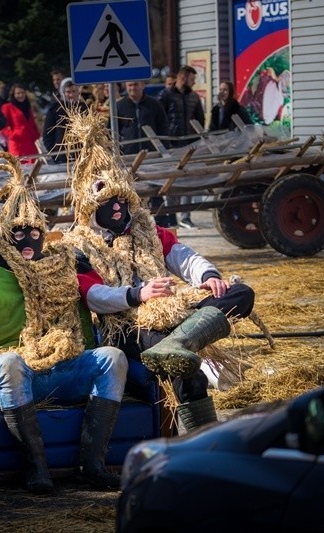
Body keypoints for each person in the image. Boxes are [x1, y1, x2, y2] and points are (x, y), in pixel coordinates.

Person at [0, 153, 128, 494]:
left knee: (112, 358)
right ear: (5, 238)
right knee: (10, 362)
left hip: (57, 370)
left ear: (44, 236)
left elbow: (80, 329)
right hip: (11, 375)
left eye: (33, 232)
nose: (27, 239)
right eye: (18, 233)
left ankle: (93, 464)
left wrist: (84, 351)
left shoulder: (59, 277)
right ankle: (37, 467)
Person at [60, 110, 255, 432]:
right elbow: (93, 297)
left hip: (171, 308)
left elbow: (184, 257)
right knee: (185, 367)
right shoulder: (79, 245)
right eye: (110, 204)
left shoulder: (148, 230)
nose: (119, 209)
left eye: (122, 201)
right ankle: (199, 435)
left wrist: (209, 279)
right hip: (127, 326)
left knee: (241, 293)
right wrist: (139, 294)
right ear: (94, 210)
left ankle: (178, 342)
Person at [117, 80, 172, 226]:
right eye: (130, 85)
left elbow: (163, 127)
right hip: (128, 158)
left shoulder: (154, 105)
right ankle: (130, 226)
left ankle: (162, 226)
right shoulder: (120, 106)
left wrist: (163, 150)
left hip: (151, 158)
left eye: (135, 85)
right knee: (128, 194)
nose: (133, 88)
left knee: (156, 191)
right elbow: (112, 131)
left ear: (142, 85)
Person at [158, 65, 205, 229]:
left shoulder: (194, 97)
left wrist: (198, 140)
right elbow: (159, 118)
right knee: (171, 181)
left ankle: (186, 216)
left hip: (190, 145)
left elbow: (200, 119)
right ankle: (171, 215)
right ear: (183, 78)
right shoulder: (165, 95)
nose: (194, 83)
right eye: (192, 79)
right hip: (171, 145)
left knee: (189, 180)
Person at [42, 77, 88, 164]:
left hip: (83, 154)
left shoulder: (84, 108)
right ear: (63, 93)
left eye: (74, 91)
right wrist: (55, 155)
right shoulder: (55, 109)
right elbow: (47, 135)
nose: (71, 95)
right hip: (62, 156)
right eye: (68, 92)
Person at [0, 83, 40, 161]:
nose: (21, 95)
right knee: (18, 168)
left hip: (30, 142)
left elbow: (32, 123)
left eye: (22, 93)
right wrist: (12, 134)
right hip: (17, 143)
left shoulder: (28, 106)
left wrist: (36, 134)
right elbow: (3, 125)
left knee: (34, 167)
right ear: (13, 94)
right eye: (18, 93)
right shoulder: (7, 107)